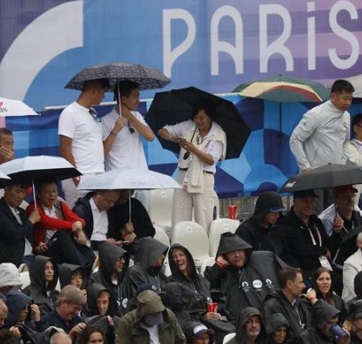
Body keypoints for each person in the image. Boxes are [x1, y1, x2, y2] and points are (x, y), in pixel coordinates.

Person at [157, 100, 226, 232]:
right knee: (179, 218)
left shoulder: (218, 133)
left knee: (203, 220)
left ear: (210, 116)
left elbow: (211, 160)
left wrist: (193, 149)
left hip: (204, 178)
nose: (198, 121)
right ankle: (180, 248)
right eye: (195, 118)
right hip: (184, 175)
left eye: (202, 118)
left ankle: (205, 249)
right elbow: (162, 131)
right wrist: (174, 138)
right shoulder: (188, 126)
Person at [289, 80, 355, 211]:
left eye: (351, 99)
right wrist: (305, 167)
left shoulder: (347, 116)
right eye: (345, 98)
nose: (348, 103)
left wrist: (341, 164)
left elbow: (345, 143)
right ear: (333, 96)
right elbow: (295, 139)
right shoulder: (315, 114)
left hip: (335, 177)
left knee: (333, 215)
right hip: (315, 175)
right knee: (316, 214)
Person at [205, 233, 283, 321]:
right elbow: (205, 286)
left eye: (240, 250)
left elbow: (290, 276)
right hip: (238, 324)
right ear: (223, 255)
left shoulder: (265, 259)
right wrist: (218, 266)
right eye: (231, 252)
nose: (237, 255)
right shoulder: (220, 272)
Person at [59, 78, 112, 207]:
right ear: (94, 91)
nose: (104, 96)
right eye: (103, 92)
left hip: (98, 174)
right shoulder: (69, 113)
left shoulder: (93, 113)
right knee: (79, 218)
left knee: (96, 217)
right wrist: (76, 176)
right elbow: (65, 148)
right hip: (80, 175)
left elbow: (97, 146)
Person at [27, 177, 95, 268]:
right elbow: (47, 222)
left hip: (63, 247)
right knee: (63, 233)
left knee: (77, 234)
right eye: (47, 192)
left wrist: (79, 228)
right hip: (45, 249)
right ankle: (83, 266)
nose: (52, 195)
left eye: (54, 191)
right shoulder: (33, 208)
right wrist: (73, 225)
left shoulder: (60, 204)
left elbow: (77, 219)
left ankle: (93, 262)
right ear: (38, 194)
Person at [279, 190, 342, 278]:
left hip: (324, 268)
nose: (310, 205)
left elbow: (329, 246)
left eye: (312, 201)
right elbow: (300, 249)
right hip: (304, 271)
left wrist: (336, 232)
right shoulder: (288, 223)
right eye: (306, 201)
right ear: (295, 202)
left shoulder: (315, 221)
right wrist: (322, 250)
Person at [102, 81, 155, 171]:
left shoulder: (136, 115)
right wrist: (114, 131)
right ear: (123, 99)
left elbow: (150, 137)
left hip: (140, 176)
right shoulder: (106, 120)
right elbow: (102, 153)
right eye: (135, 96)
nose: (138, 100)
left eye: (138, 96)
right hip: (118, 179)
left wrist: (129, 116)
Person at [0, 182, 39, 267]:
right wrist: (31, 221)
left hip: (33, 255)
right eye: (18, 192)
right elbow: (13, 235)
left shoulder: (21, 212)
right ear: (6, 189)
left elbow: (27, 237)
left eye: (24, 193)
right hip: (16, 259)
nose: (21, 196)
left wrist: (37, 246)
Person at [261, 267, 311, 343]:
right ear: (289, 284)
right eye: (300, 282)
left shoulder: (302, 304)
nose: (304, 286)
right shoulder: (270, 307)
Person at [235, 191, 285, 255]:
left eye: (279, 212)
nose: (277, 216)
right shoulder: (245, 231)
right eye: (274, 212)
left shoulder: (278, 228)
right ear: (264, 211)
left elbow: (286, 253)